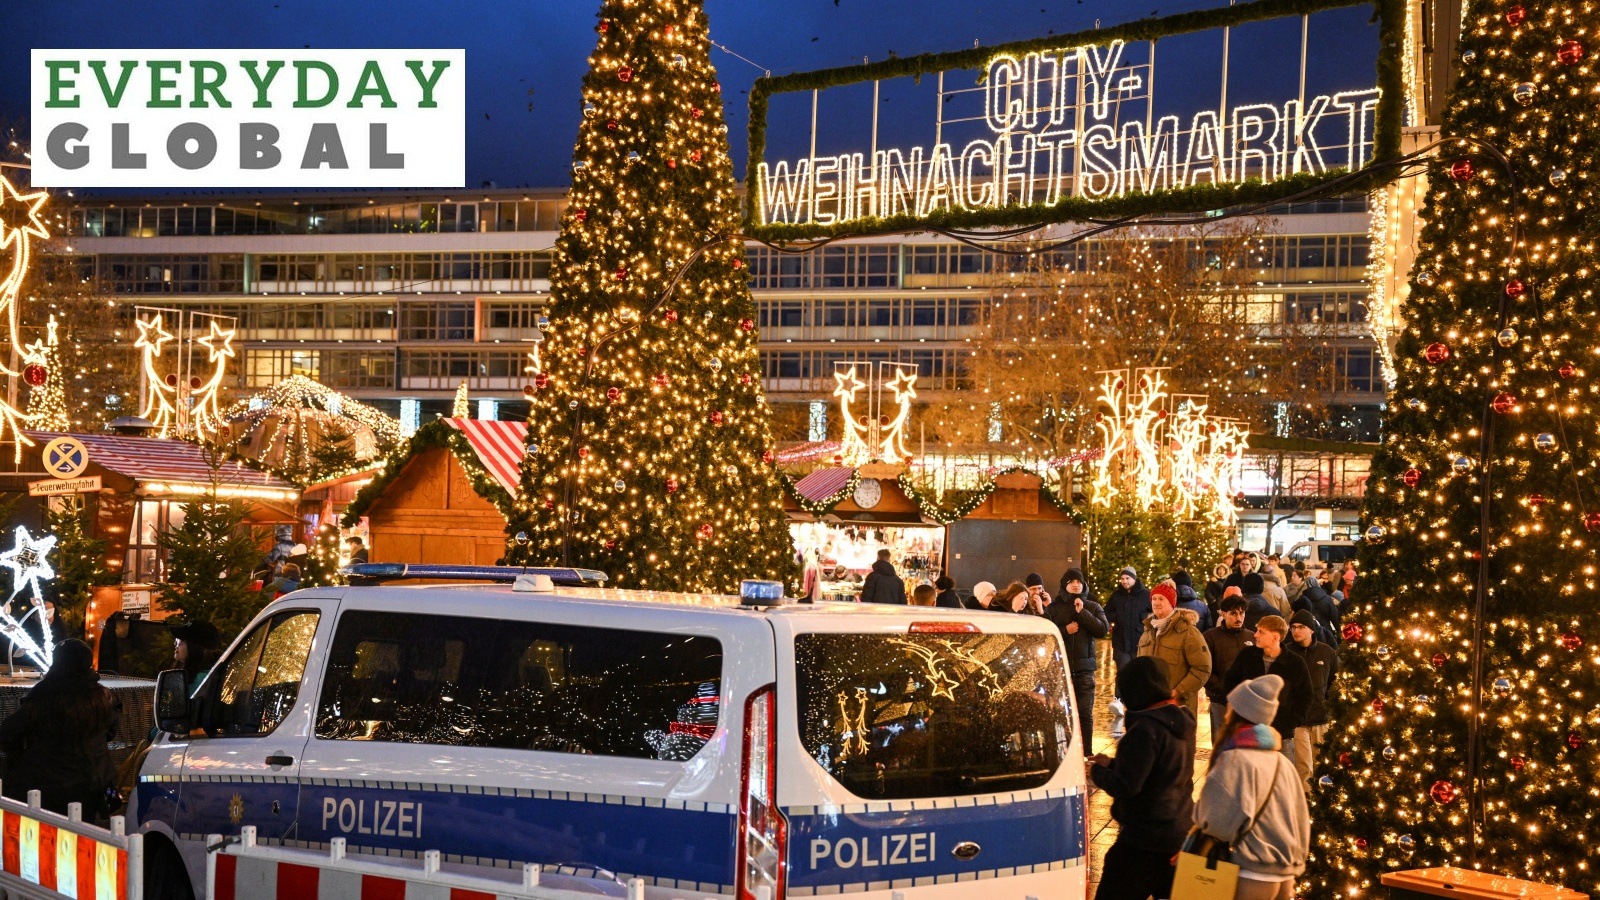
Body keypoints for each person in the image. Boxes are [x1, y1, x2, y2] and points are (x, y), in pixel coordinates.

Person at [1192, 675, 1311, 898]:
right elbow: (1300, 818)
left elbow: (1214, 822)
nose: (1226, 713)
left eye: (1230, 708)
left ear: (1239, 714)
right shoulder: (1282, 763)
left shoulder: (1234, 761)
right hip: (1286, 876)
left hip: (1250, 873)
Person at [1087, 656, 1195, 900]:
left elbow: (1127, 785)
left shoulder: (1145, 730)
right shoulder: (1179, 721)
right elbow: (1158, 771)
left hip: (1144, 840)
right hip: (1177, 834)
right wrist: (1113, 764)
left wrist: (1096, 772)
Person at [0, 639, 120, 819]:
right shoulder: (104, 697)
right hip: (91, 785)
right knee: (84, 837)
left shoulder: (43, 697)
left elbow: (7, 734)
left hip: (45, 788)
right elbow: (110, 733)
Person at [1224, 616, 1313, 756]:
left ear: (1275, 637)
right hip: (1248, 732)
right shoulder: (1247, 655)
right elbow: (1230, 682)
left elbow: (1305, 696)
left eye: (1261, 632)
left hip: (1280, 736)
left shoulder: (1295, 663)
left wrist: (1289, 724)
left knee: (1280, 776)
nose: (1255, 635)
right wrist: (1239, 713)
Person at [1047, 568, 1108, 754]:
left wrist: (1083, 613)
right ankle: (1065, 753)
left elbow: (1102, 630)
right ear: (1065, 585)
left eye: (1079, 581)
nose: (1076, 584)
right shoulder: (1054, 608)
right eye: (1072, 581)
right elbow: (1048, 634)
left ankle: (1087, 753)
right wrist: (1066, 630)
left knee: (1085, 714)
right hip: (1060, 669)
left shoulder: (1092, 606)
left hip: (1084, 669)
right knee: (1061, 714)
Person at [1136, 582, 1212, 719]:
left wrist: (1179, 691)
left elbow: (1203, 668)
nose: (1156, 603)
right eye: (1154, 599)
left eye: (1161, 599)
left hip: (1178, 710)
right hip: (1149, 709)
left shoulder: (1188, 632)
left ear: (1171, 602)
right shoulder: (1147, 632)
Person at [1287, 610, 1339, 783]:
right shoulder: (1287, 653)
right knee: (1304, 768)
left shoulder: (1327, 653)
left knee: (1322, 766)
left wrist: (1330, 707)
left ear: (1311, 630)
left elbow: (1335, 683)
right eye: (1293, 627)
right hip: (1298, 721)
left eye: (1301, 627)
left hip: (1321, 719)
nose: (1296, 631)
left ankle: (1320, 807)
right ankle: (1305, 807)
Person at [1203, 592, 1254, 741]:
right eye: (1233, 613)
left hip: (1248, 701)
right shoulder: (1210, 637)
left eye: (1241, 613)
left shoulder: (1252, 637)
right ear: (1223, 614)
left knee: (1245, 743)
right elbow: (1205, 669)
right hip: (1221, 701)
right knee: (1222, 743)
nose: (1238, 618)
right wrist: (1221, 688)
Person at [1105, 567, 1152, 691]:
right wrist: (1117, 616)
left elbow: (1154, 613)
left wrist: (1144, 617)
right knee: (1122, 672)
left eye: (1127, 578)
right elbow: (1106, 612)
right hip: (1121, 643)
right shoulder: (1116, 596)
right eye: (1122, 578)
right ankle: (1119, 700)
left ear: (1134, 579)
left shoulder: (1146, 595)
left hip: (1140, 642)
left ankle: (1139, 701)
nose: (1124, 581)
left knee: (1139, 673)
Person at [171, 620, 224, 694]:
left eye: (181, 640)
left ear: (195, 646)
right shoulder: (210, 675)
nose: (175, 643)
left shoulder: (200, 680)